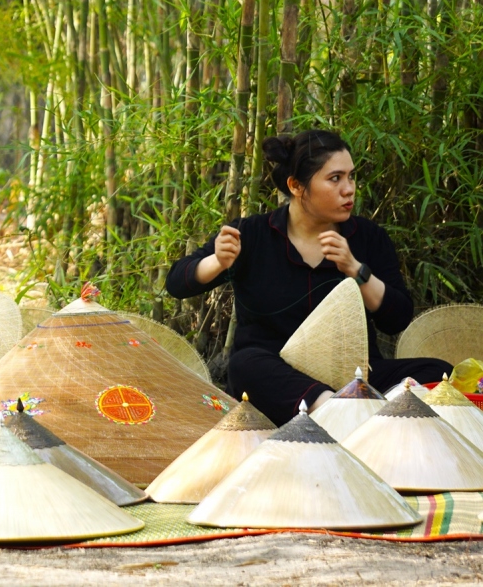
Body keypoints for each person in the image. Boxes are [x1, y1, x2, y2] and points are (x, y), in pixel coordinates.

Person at [166, 130, 450, 426]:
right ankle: (340, 413)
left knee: (440, 373)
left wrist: (356, 269)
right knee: (245, 365)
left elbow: (398, 318)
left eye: (351, 177)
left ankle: (350, 411)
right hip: (278, 376)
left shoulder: (368, 238)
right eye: (335, 178)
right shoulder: (253, 234)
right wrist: (217, 261)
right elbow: (176, 282)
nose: (349, 189)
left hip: (355, 375)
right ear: (296, 186)